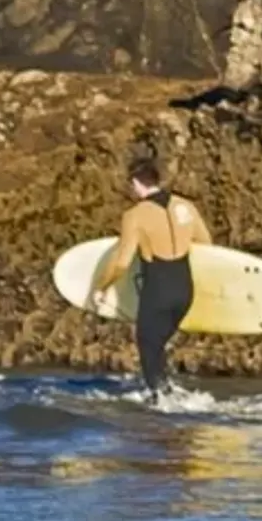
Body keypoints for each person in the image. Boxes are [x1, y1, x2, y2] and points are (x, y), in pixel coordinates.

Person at [91, 154, 214, 395]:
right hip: (184, 290)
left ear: (136, 183)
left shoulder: (135, 215)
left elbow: (121, 262)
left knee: (149, 347)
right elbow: (206, 244)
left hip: (157, 291)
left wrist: (101, 287)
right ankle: (170, 397)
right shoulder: (185, 206)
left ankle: (162, 409)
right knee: (158, 347)